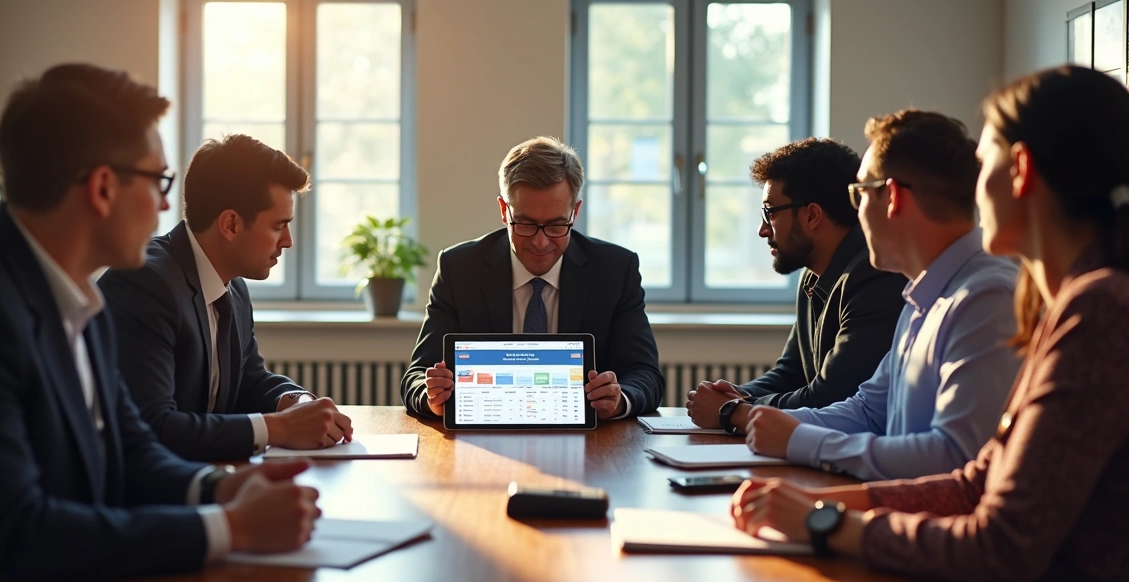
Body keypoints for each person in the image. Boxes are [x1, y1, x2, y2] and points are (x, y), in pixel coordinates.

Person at [0, 64, 319, 582]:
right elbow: (15, 535)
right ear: (103, 187)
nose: (163, 207)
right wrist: (231, 529)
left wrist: (223, 487)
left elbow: (131, 448)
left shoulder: (81, 298)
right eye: (159, 182)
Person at [731, 65, 1129, 582]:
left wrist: (826, 521)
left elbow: (1000, 545)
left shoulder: (1098, 308)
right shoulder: (1073, 299)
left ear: (1018, 171)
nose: (970, 186)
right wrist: (832, 503)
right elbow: (975, 481)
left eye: (982, 164)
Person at [739, 110, 1021, 481]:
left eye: (859, 194)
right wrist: (769, 421)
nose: (854, 211)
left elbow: (954, 457)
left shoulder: (986, 296)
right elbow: (868, 410)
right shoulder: (924, 293)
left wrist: (799, 439)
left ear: (891, 197)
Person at [99, 134, 352, 461]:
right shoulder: (146, 283)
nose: (287, 242)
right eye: (279, 226)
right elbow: (154, 427)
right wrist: (279, 429)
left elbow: (250, 380)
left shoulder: (233, 285)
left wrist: (298, 403)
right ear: (231, 224)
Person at [401, 136, 663, 419]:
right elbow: (416, 375)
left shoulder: (614, 270)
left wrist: (619, 398)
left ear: (574, 213)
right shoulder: (460, 268)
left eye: (556, 225)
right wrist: (431, 398)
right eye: (525, 224)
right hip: (483, 443)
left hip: (591, 446)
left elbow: (645, 374)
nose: (540, 243)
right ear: (504, 211)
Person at [686, 139, 906, 432]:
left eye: (770, 213)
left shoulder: (873, 274)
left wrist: (732, 411)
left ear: (812, 215)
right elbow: (790, 373)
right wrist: (735, 395)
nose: (763, 229)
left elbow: (830, 397)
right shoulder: (812, 276)